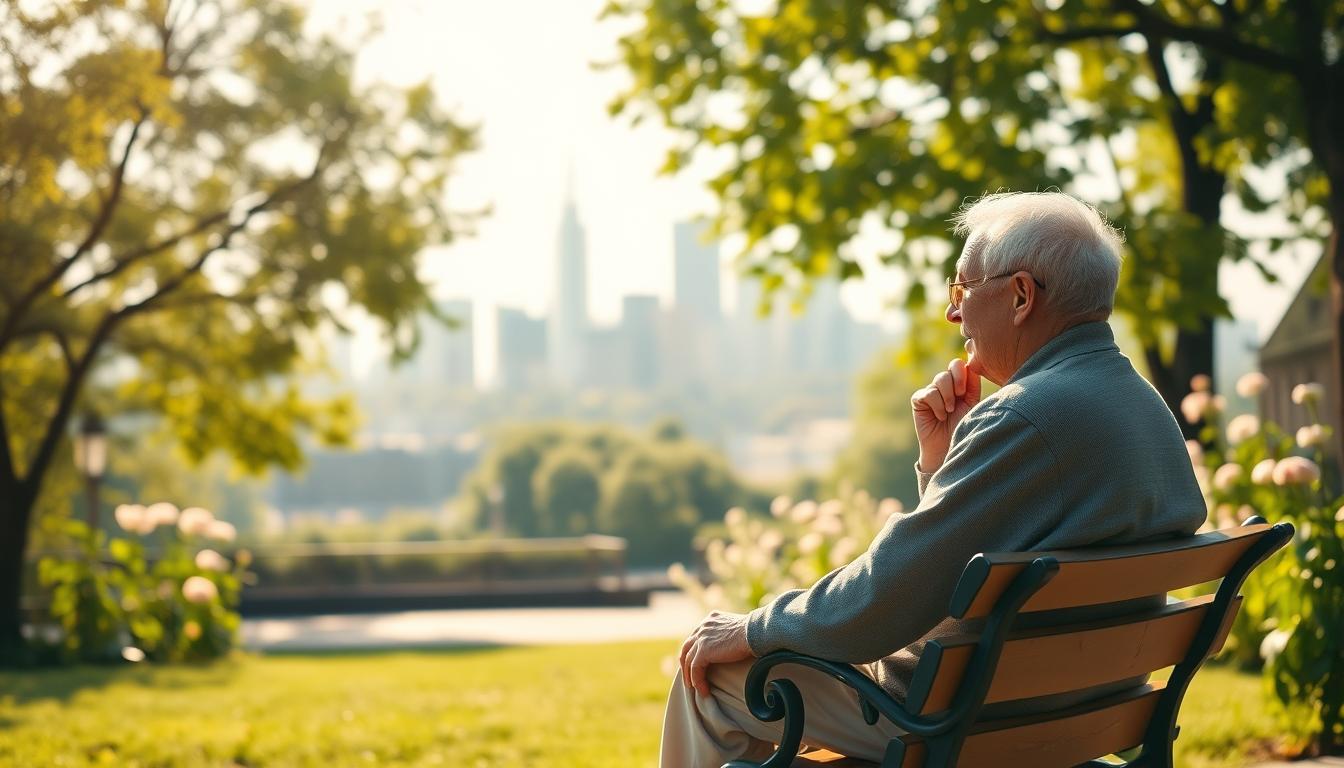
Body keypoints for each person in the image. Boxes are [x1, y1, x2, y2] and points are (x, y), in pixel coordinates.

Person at [660, 191, 1208, 767]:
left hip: (947, 719)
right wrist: (944, 461)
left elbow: (882, 597)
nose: (953, 314)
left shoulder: (1025, 414)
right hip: (1074, 713)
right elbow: (962, 570)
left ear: (1021, 296)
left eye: (963, 288)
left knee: (712, 674)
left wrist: (752, 628)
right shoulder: (1146, 410)